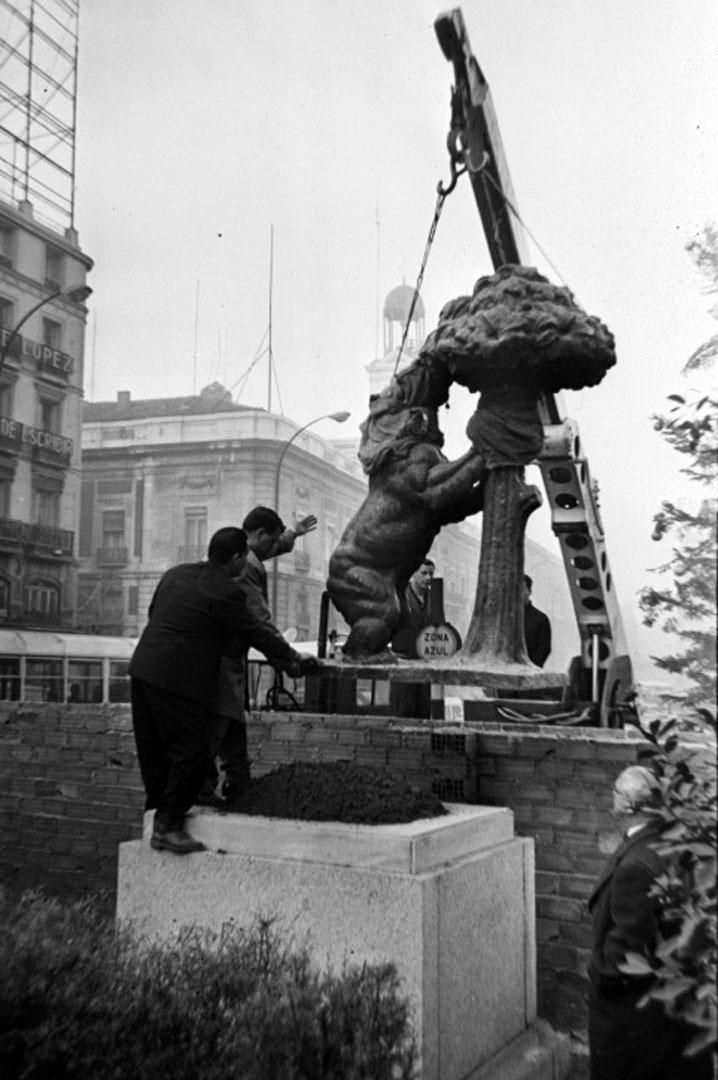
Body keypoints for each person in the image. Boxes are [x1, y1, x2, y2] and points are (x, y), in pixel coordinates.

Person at [129, 526, 314, 854]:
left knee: (155, 750)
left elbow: (154, 613)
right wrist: (292, 659)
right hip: (178, 678)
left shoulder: (176, 574)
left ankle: (157, 816)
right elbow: (256, 631)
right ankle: (169, 826)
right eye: (245, 556)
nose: (247, 563)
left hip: (143, 669)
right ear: (237, 558)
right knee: (193, 749)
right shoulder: (226, 593)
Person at [587, 765, 712, 1080]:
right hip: (670, 1013)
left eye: (616, 791)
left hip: (633, 1018)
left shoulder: (636, 865)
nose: (611, 797)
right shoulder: (672, 844)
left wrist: (598, 972)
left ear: (630, 805)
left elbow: (628, 947)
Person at [207, 506, 317, 804]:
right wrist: (290, 660)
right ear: (258, 535)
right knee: (222, 723)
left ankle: (236, 785)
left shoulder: (243, 552)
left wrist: (293, 533)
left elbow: (271, 546)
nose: (273, 549)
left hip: (226, 658)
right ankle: (212, 790)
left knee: (231, 721)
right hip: (223, 659)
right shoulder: (244, 568)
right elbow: (259, 623)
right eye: (271, 541)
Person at [389, 558, 435, 719]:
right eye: (424, 573)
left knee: (423, 712)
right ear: (413, 573)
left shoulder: (434, 598)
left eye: (431, 574)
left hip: (424, 663)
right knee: (403, 712)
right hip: (403, 661)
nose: (428, 578)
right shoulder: (400, 594)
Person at [522, 574, 551, 667]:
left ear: (529, 591)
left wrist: (531, 667)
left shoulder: (540, 618)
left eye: (522, 588)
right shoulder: (502, 618)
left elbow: (544, 648)